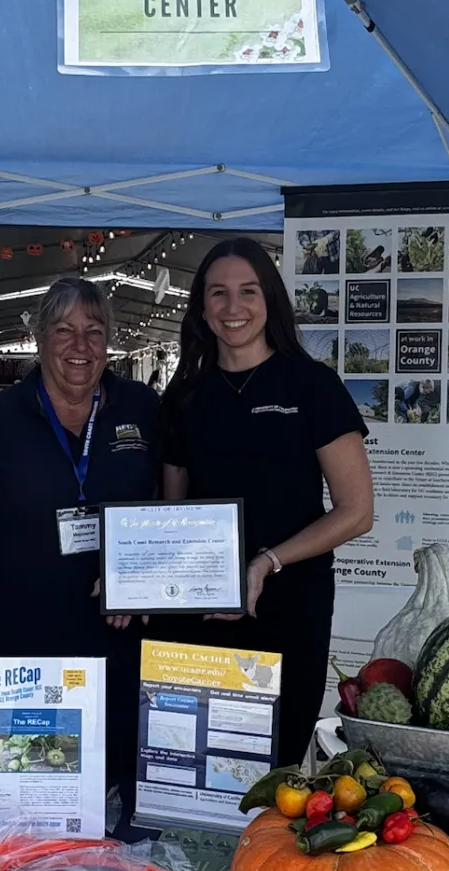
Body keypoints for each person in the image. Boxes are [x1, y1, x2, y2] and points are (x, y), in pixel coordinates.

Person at [0, 277, 163, 795]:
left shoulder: (141, 408)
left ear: (110, 339)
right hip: (28, 631)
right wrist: (20, 557)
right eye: (63, 330)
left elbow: (167, 506)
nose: (80, 346)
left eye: (94, 331)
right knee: (35, 781)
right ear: (38, 338)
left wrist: (136, 572)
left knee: (119, 780)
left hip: (122, 634)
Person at [160, 237, 375, 766]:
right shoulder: (185, 396)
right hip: (202, 614)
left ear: (269, 299)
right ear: (202, 308)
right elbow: (170, 516)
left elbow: (357, 511)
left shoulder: (312, 385)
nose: (234, 308)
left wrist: (266, 562)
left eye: (248, 291)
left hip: (289, 606)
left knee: (274, 768)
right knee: (198, 764)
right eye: (218, 294)